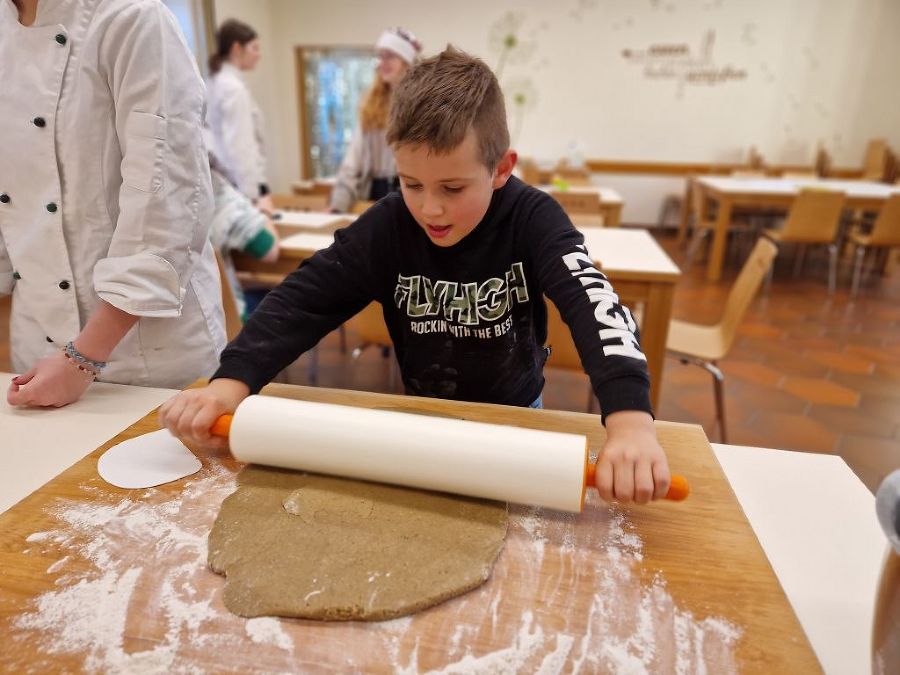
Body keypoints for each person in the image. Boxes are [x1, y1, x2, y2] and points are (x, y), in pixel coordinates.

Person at [160, 47, 671, 505]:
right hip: (424, 421)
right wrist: (231, 382)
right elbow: (301, 301)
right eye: (411, 183)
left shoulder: (533, 219)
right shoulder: (387, 227)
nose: (431, 209)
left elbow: (594, 304)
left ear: (500, 168)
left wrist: (630, 421)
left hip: (519, 418)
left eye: (452, 187)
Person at [1, 0, 225, 407]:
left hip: (147, 356)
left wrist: (81, 359)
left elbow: (166, 206)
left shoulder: (132, 18)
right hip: (36, 349)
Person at [328, 27, 422, 213]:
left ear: (407, 61)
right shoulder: (372, 106)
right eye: (380, 57)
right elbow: (353, 162)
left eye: (390, 57)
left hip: (412, 192)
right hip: (376, 194)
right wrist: (337, 206)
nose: (382, 63)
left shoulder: (423, 105)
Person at [206, 18, 271, 212]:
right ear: (236, 48)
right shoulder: (233, 89)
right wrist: (254, 195)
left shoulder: (216, 82)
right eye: (254, 48)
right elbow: (240, 147)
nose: (259, 55)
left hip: (224, 183)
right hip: (237, 187)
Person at [208, 154, 280, 322]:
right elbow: (268, 249)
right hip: (224, 324)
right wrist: (266, 211)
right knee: (276, 297)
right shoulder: (215, 189)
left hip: (166, 326)